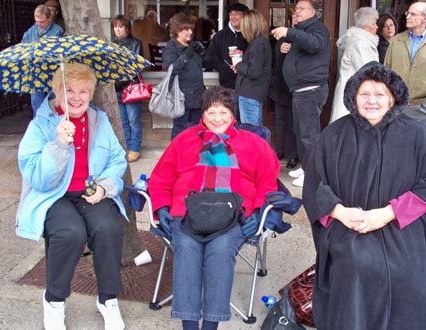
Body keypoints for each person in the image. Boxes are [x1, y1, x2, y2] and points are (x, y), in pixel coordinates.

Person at [303, 61, 426, 330]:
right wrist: (339, 212)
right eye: (364, 94)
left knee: (406, 271)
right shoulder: (334, 135)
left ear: (393, 98)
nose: (372, 101)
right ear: (353, 97)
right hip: (349, 225)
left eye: (380, 94)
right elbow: (314, 184)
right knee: (355, 265)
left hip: (401, 225)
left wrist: (388, 213)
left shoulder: (415, 135)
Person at [148, 86, 280, 330]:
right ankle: (189, 324)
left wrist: (260, 212)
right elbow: (161, 178)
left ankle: (210, 325)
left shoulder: (254, 144)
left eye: (224, 112)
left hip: (234, 215)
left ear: (233, 114)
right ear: (203, 113)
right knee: (186, 248)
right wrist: (162, 206)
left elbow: (268, 184)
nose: (217, 119)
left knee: (220, 251)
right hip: (186, 212)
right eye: (211, 112)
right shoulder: (184, 140)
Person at [16, 63, 127, 330]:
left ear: (91, 94)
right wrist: (57, 145)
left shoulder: (98, 120)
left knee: (109, 226)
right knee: (70, 232)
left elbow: (117, 159)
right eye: (69, 91)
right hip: (53, 196)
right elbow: (38, 178)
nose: (76, 98)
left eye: (83, 91)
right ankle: (54, 300)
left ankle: (108, 299)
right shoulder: (41, 125)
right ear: (57, 92)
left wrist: (104, 188)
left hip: (90, 191)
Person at [271, 0, 330, 187]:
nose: (297, 12)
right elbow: (300, 55)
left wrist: (289, 32)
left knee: (309, 135)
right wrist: (284, 49)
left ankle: (313, 175)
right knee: (300, 132)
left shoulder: (318, 29)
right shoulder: (301, 32)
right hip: (299, 90)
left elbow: (315, 45)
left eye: (301, 9)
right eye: (295, 9)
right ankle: (306, 166)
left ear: (313, 12)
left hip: (310, 90)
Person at [384, 1, 426, 131]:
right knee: (396, 144)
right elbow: (386, 70)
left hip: (423, 106)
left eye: (412, 14)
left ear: (425, 18)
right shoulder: (397, 40)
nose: (407, 17)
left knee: (419, 147)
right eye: (408, 13)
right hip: (396, 103)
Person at [330, 7, 379, 123]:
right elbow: (367, 71)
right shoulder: (359, 43)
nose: (377, 27)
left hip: (355, 91)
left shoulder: (361, 41)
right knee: (347, 128)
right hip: (353, 91)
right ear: (364, 27)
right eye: (374, 23)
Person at [162, 12, 206, 140]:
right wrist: (187, 54)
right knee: (179, 129)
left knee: (197, 129)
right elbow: (172, 69)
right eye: (185, 29)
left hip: (198, 95)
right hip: (181, 97)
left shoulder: (192, 45)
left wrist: (203, 53)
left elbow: (204, 64)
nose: (189, 32)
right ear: (176, 30)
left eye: (190, 28)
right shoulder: (171, 48)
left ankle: (193, 156)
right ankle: (177, 157)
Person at [21, 4, 64, 116]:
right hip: (35, 72)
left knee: (54, 102)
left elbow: (61, 52)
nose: (39, 24)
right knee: (37, 104)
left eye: (42, 21)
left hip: (52, 71)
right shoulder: (31, 31)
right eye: (37, 21)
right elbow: (23, 47)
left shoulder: (58, 31)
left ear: (49, 18)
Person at [231, 9, 271, 126]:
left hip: (249, 94)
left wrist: (238, 64)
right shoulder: (260, 41)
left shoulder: (257, 43)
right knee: (255, 131)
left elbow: (254, 72)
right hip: (253, 93)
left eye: (243, 25)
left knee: (250, 132)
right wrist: (240, 67)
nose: (241, 28)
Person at [112, 15, 144, 163]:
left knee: (133, 120)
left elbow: (134, 66)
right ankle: (126, 147)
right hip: (117, 87)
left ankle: (135, 148)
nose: (117, 30)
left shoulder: (136, 43)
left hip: (130, 87)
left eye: (120, 26)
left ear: (126, 27)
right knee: (123, 121)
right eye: (115, 27)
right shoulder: (112, 44)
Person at [269, 12, 299, 170]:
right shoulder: (281, 38)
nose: (295, 19)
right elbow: (275, 62)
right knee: (280, 120)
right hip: (280, 87)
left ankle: (292, 155)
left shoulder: (306, 38)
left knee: (294, 124)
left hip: (296, 89)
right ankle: (280, 150)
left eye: (298, 17)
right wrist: (280, 50)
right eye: (293, 17)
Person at [204, 3, 249, 89]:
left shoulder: (250, 35)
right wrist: (224, 68)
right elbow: (210, 58)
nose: (233, 17)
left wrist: (244, 55)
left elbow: (257, 58)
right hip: (227, 85)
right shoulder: (220, 36)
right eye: (231, 14)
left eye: (237, 13)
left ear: (245, 16)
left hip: (247, 85)